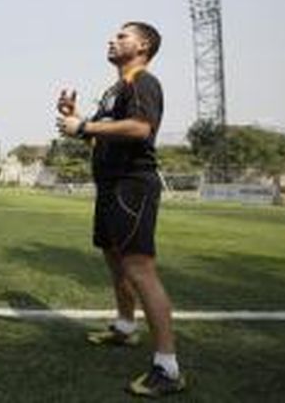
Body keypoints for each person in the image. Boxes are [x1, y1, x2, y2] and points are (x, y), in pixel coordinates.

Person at [56, 21, 185, 397]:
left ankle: (168, 367)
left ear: (143, 45)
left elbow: (141, 129)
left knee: (140, 268)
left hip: (132, 185)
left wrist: (83, 126)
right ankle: (126, 328)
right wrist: (80, 119)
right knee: (114, 258)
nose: (113, 40)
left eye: (122, 36)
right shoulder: (114, 90)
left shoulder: (143, 82)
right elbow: (100, 137)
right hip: (110, 186)